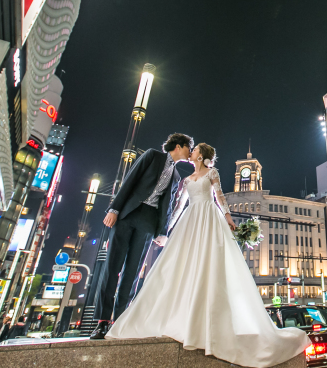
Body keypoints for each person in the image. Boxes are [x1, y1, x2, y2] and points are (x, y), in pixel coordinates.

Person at [106, 144, 309, 367]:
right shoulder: (186, 180)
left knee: (209, 263)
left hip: (208, 217)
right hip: (190, 220)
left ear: (201, 156)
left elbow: (220, 196)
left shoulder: (212, 173)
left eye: (194, 151)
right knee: (182, 265)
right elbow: (177, 207)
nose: (190, 152)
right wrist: (166, 230)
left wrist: (229, 218)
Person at [90, 133, 195, 340]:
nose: (190, 152)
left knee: (132, 273)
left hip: (147, 224)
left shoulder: (176, 176)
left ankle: (119, 322)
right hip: (127, 215)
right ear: (179, 146)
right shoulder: (152, 156)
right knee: (112, 267)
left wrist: (163, 232)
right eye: (188, 148)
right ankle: (102, 322)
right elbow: (129, 181)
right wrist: (114, 209)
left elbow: (167, 206)